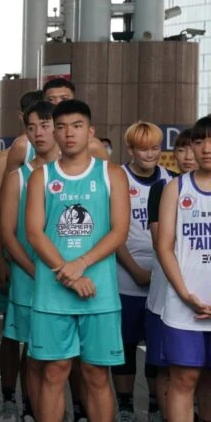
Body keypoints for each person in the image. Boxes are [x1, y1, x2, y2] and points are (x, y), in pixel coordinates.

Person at [25, 99, 129, 422]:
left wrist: (81, 264)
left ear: (90, 131)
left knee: (96, 375)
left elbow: (119, 231)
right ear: (54, 133)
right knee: (54, 372)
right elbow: (34, 233)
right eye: (62, 127)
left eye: (77, 126)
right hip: (52, 294)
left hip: (99, 294)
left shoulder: (111, 174)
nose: (69, 133)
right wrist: (69, 274)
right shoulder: (41, 176)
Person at [0, 101, 60, 422]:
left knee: (66, 357)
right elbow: (8, 234)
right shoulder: (18, 177)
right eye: (31, 127)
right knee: (33, 352)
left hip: (68, 277)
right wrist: (35, 270)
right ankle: (30, 411)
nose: (38, 133)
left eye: (45, 125)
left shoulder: (80, 173)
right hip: (31, 277)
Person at [0, 90, 42, 422]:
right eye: (33, 121)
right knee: (13, 333)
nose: (40, 129)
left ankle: (38, 405)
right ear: (24, 119)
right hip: (18, 260)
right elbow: (0, 214)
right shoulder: (14, 158)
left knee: (44, 341)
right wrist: (0, 260)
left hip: (51, 267)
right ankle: (10, 398)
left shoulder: (74, 159)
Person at [113, 121, 171, 422]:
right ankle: (124, 406)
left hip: (163, 279)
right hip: (125, 277)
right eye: (143, 149)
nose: (150, 154)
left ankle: (154, 405)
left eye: (155, 148)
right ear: (131, 149)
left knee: (157, 348)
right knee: (125, 344)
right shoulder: (118, 178)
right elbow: (112, 231)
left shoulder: (170, 180)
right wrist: (135, 270)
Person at [155, 116, 211, 422]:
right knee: (184, 378)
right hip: (183, 303)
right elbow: (164, 247)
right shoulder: (176, 188)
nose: (206, 148)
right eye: (199, 141)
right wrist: (185, 294)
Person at [146, 128, 194, 420]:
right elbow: (161, 242)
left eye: (194, 147)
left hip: (204, 294)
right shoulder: (164, 188)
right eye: (181, 149)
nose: (188, 156)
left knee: (202, 373)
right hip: (167, 294)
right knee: (167, 368)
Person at [6, 79, 108, 175]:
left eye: (64, 99)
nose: (58, 103)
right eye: (51, 99)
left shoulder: (93, 146)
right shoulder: (23, 145)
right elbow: (12, 181)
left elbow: (106, 179)